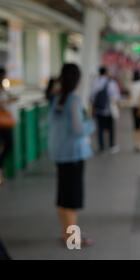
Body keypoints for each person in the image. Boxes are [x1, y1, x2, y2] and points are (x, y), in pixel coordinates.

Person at [49, 63, 95, 246]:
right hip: (73, 155)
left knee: (63, 195)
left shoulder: (56, 98)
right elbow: (78, 130)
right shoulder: (73, 100)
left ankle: (66, 232)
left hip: (59, 153)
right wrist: (91, 124)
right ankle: (72, 236)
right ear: (77, 80)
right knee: (72, 198)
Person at [90, 66, 121, 154]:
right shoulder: (111, 82)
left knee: (100, 128)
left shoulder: (95, 82)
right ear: (106, 73)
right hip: (109, 110)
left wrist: (92, 110)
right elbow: (116, 96)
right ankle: (111, 145)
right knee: (111, 128)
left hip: (98, 109)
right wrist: (118, 107)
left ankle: (102, 147)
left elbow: (91, 98)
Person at [0, 67, 18, 186]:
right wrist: (9, 101)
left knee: (7, 146)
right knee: (7, 145)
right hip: (2, 124)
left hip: (5, 123)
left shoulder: (4, 88)